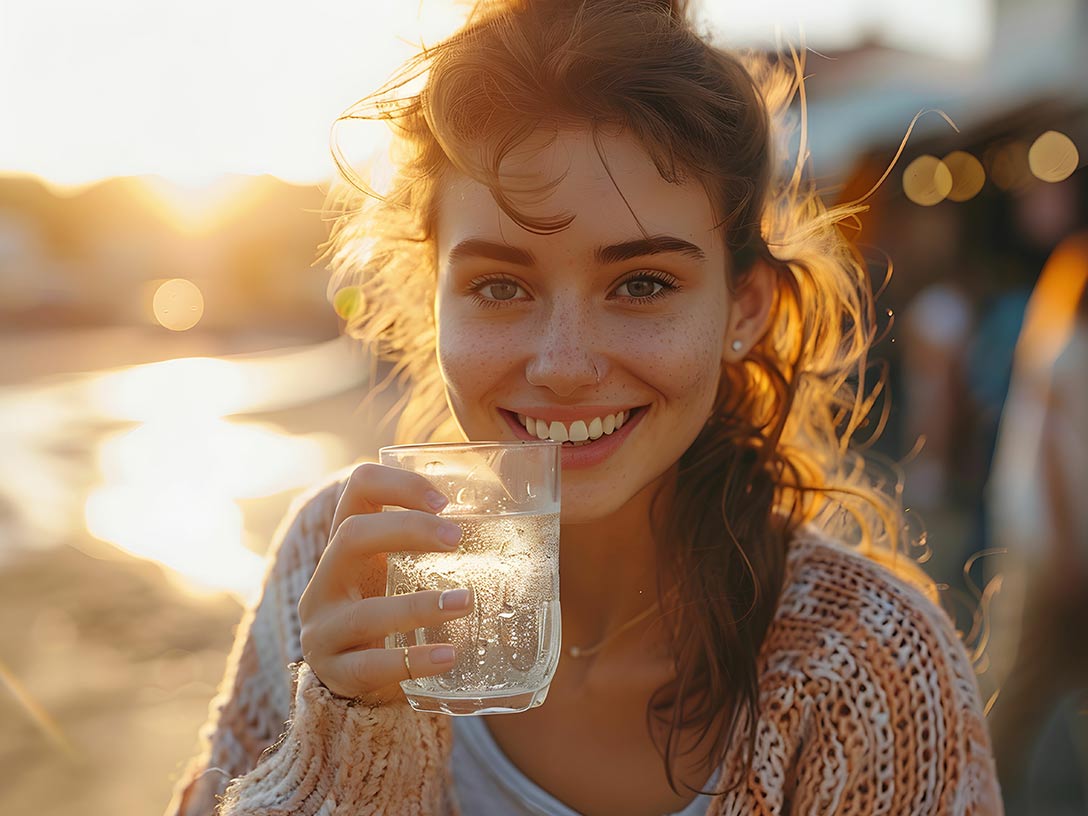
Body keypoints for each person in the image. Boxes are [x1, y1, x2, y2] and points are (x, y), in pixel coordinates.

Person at [166, 1, 1001, 813]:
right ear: (433, 299)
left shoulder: (869, 666)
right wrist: (349, 742)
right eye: (500, 286)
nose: (564, 365)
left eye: (642, 284)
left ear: (743, 310)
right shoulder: (336, 564)